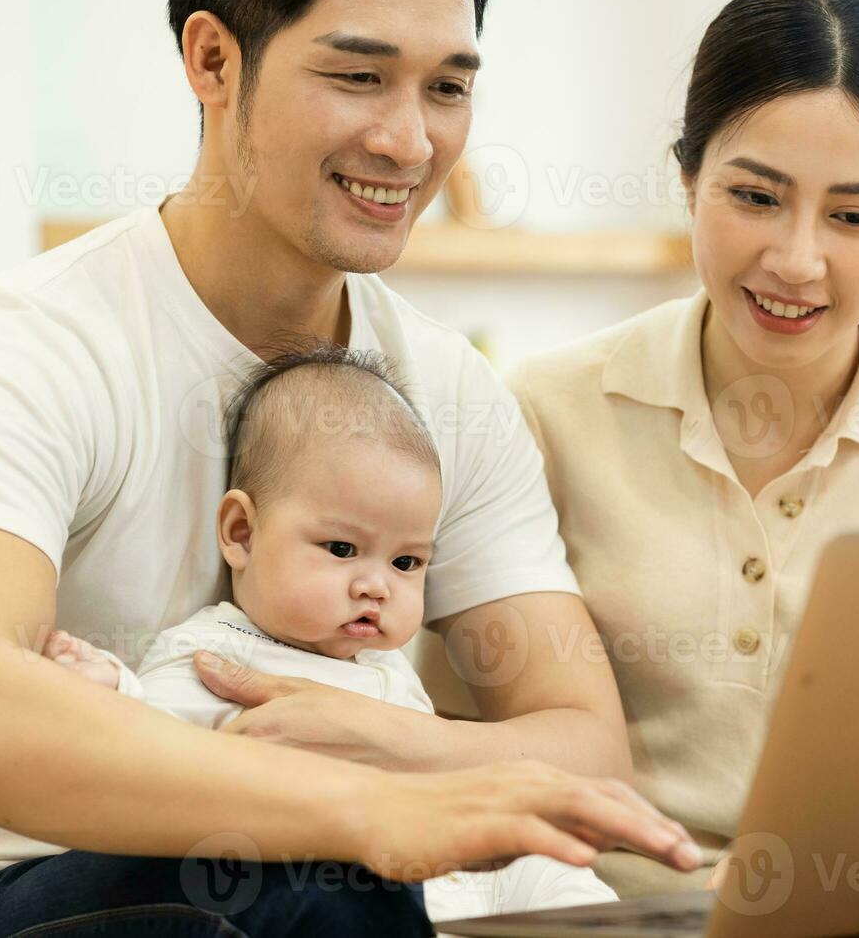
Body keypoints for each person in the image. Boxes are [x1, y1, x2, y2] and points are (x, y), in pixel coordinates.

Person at [0, 0, 697, 936]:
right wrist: (364, 807)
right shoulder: (34, 339)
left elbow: (585, 752)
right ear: (213, 59)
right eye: (359, 76)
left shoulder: (445, 391)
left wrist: (375, 739)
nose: (410, 139)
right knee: (322, 872)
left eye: (448, 87)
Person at [507, 0, 859, 899]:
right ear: (689, 177)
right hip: (594, 907)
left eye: (853, 216)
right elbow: (460, 717)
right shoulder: (544, 410)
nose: (796, 260)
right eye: (755, 197)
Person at [44, 344, 620, 922]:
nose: (377, 586)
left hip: (448, 866)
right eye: (342, 549)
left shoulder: (385, 668)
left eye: (407, 563)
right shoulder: (218, 652)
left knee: (553, 868)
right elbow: (154, 753)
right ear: (241, 532)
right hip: (351, 885)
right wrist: (110, 689)